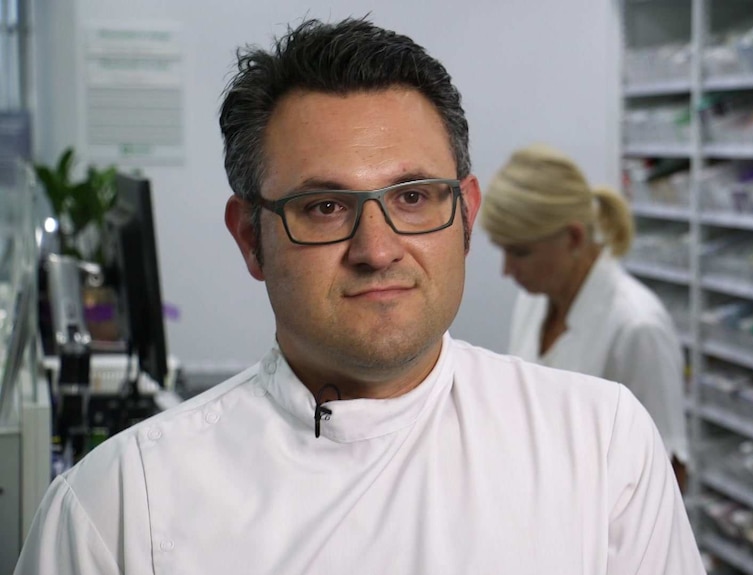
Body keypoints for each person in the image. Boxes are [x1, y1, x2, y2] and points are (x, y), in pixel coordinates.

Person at [15, 18, 705, 574]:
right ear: (251, 238)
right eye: (323, 206)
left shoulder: (601, 444)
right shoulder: (118, 509)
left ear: (464, 214)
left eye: (412, 196)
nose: (377, 249)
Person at [480, 143, 690, 491]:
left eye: (519, 252)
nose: (506, 270)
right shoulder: (534, 300)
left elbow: (667, 474)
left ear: (574, 237)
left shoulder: (637, 327)